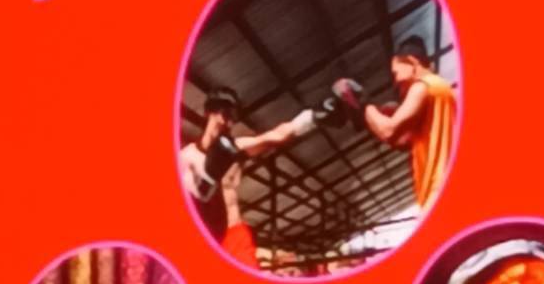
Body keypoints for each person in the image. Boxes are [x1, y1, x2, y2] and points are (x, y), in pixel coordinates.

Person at [178, 86, 324, 244]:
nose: (228, 121)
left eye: (233, 115)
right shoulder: (186, 156)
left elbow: (274, 136)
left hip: (225, 235)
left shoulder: (236, 147)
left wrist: (311, 117)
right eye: (225, 112)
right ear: (210, 112)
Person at [331, 33, 457, 209]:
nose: (396, 81)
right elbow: (403, 141)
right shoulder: (444, 91)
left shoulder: (423, 85)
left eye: (396, 73)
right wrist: (372, 117)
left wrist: (363, 104)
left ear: (412, 62)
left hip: (438, 194)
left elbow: (388, 131)